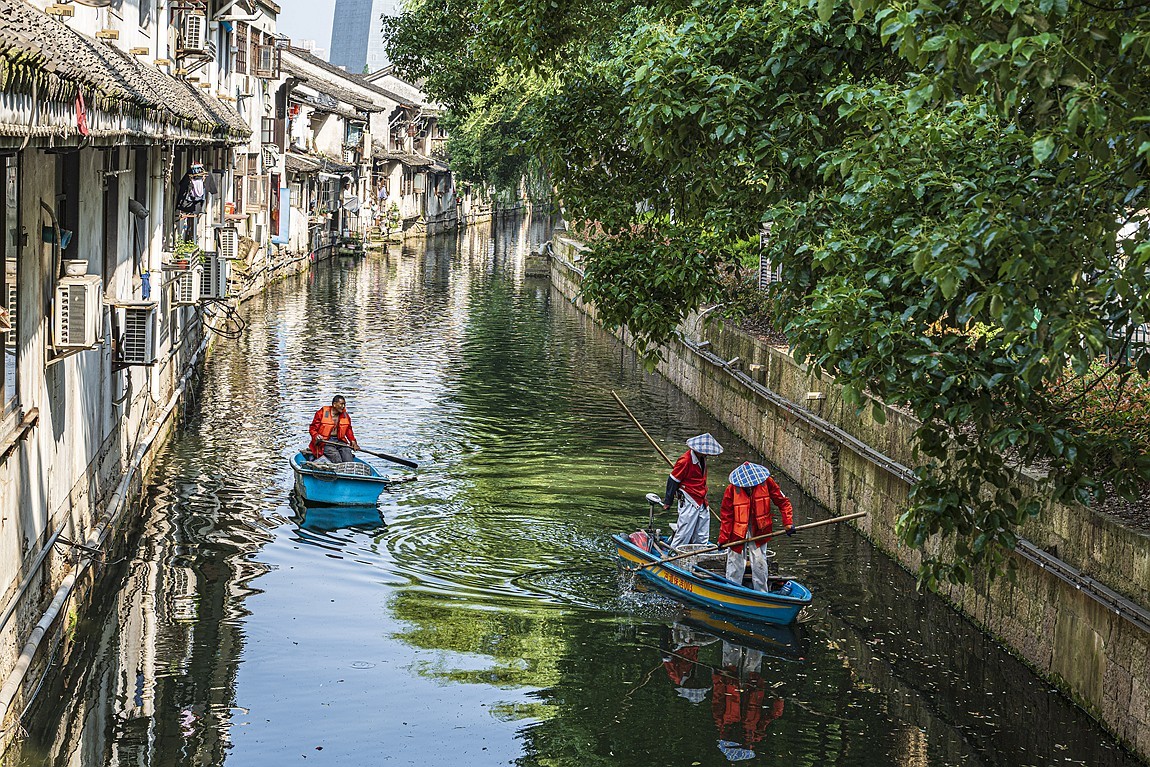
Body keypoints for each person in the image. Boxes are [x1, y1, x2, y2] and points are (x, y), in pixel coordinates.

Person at [718, 462, 794, 592]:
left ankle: (761, 592)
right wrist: (723, 539)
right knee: (735, 562)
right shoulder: (732, 489)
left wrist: (788, 523)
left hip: (760, 528)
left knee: (759, 561)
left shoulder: (767, 483)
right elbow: (726, 516)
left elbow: (783, 502)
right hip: (737, 530)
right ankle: (732, 590)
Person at [663, 433, 724, 548]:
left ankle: (699, 553)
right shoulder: (685, 461)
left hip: (701, 498)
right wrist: (668, 501)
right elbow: (673, 480)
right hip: (689, 498)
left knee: (702, 533)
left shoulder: (702, 459)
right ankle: (675, 553)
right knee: (684, 532)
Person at [309, 396, 359, 463]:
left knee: (347, 454)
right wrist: (316, 435)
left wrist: (353, 441)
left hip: (340, 441)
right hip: (325, 442)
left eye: (344, 404)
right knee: (336, 457)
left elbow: (348, 429)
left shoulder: (345, 416)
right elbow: (312, 428)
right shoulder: (321, 413)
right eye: (341, 404)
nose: (343, 406)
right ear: (334, 404)